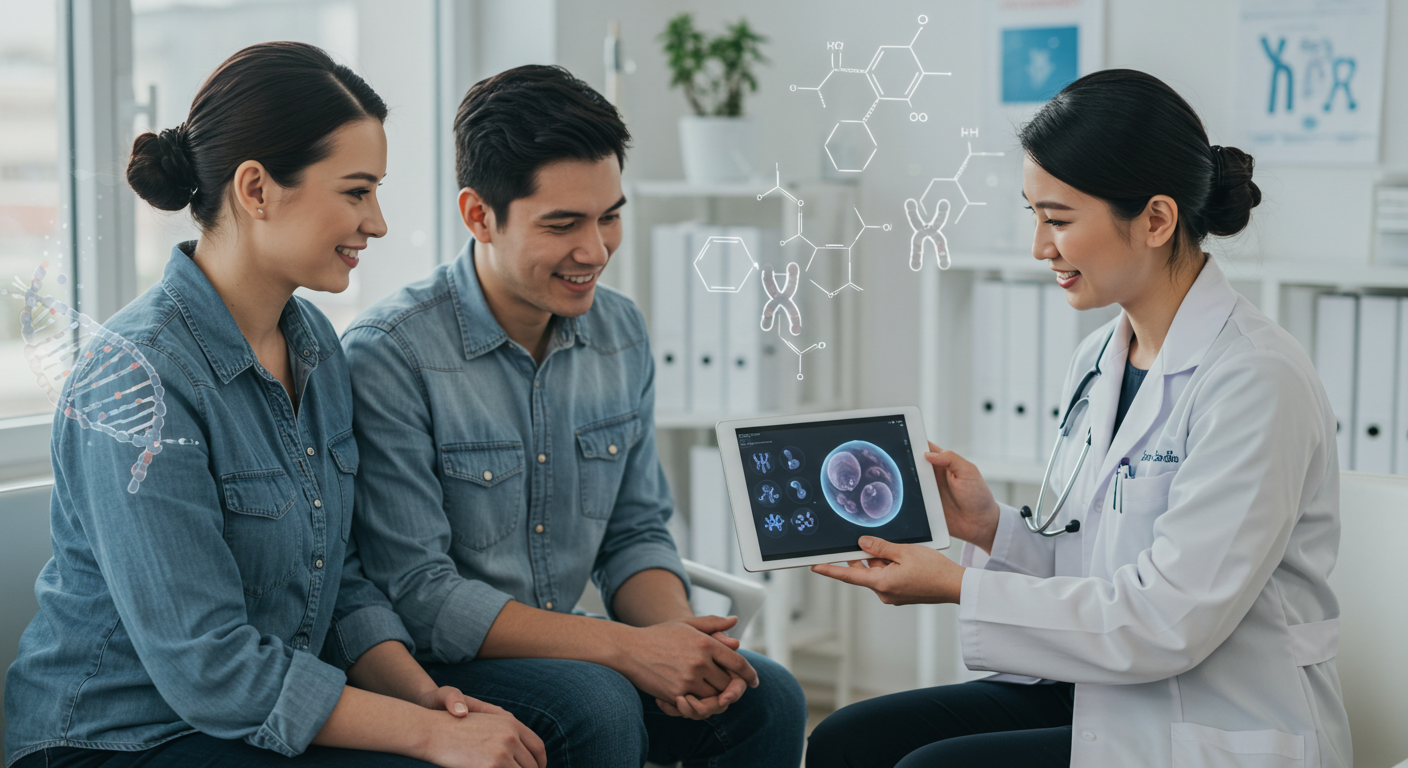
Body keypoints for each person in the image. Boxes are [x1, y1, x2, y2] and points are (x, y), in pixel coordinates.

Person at [4, 42, 545, 768]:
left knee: (564, 720)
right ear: (255, 189)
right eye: (357, 192)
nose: (377, 222)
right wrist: (432, 737)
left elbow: (339, 577)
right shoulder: (136, 377)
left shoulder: (315, 342)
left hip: (240, 718)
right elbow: (211, 667)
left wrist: (427, 700)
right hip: (116, 738)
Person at [808, 69, 1350, 768]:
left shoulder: (1255, 381)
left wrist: (956, 585)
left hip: (1211, 714)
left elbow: (1164, 621)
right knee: (847, 740)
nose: (1039, 247)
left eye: (1058, 220)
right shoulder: (1101, 358)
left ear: (1156, 219)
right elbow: (1098, 567)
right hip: (1114, 685)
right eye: (1034, 216)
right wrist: (991, 527)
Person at [342, 64, 807, 768]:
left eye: (610, 216)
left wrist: (682, 643)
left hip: (573, 646)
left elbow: (634, 532)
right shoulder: (390, 355)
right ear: (478, 215)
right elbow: (421, 595)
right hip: (436, 664)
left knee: (765, 694)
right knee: (598, 702)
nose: (595, 251)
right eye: (563, 225)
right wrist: (630, 651)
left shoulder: (620, 332)